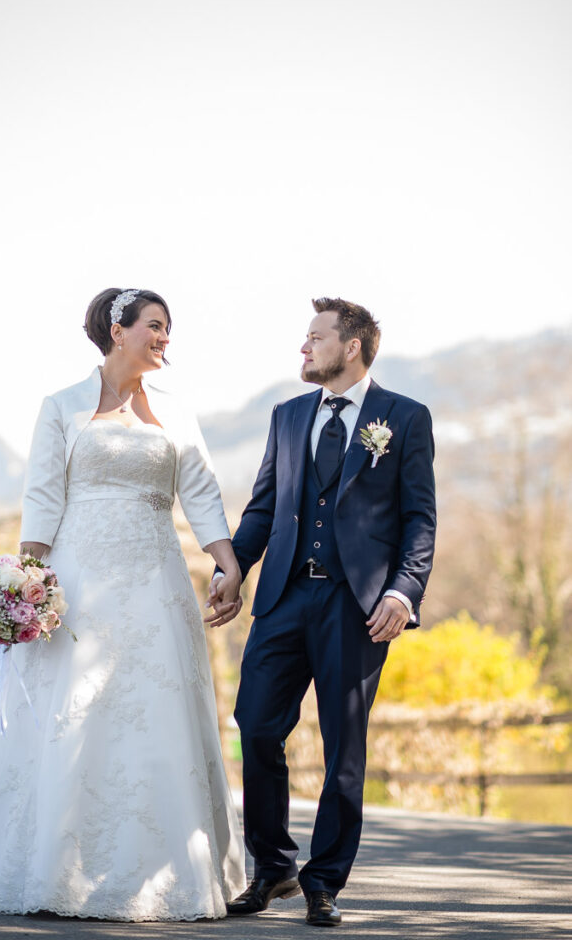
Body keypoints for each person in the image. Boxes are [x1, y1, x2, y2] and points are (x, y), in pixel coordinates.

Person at [0, 287, 246, 921]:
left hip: (157, 580)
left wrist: (228, 562)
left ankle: (159, 867)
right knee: (73, 709)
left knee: (158, 707)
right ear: (118, 330)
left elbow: (200, 490)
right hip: (79, 581)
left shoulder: (177, 412)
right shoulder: (61, 406)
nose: (165, 337)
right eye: (155, 325)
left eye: (168, 328)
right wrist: (25, 582)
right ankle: (53, 867)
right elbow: (42, 496)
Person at [211, 297, 436, 927]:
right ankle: (273, 866)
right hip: (283, 597)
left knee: (344, 749)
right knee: (256, 727)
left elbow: (420, 518)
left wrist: (403, 592)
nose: (304, 348)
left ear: (352, 346)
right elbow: (263, 506)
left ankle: (325, 881)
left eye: (315, 337)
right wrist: (234, 569)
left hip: (357, 605)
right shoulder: (287, 416)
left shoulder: (404, 417)